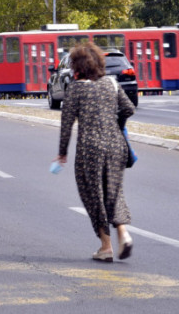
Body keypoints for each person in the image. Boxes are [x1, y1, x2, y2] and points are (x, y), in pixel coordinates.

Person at [54, 43, 134, 263]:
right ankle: (124, 235)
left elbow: (67, 123)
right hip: (116, 145)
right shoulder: (112, 83)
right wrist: (116, 123)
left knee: (93, 195)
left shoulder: (76, 89)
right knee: (114, 191)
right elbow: (129, 109)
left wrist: (62, 153)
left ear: (78, 67)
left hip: (90, 149)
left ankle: (106, 246)